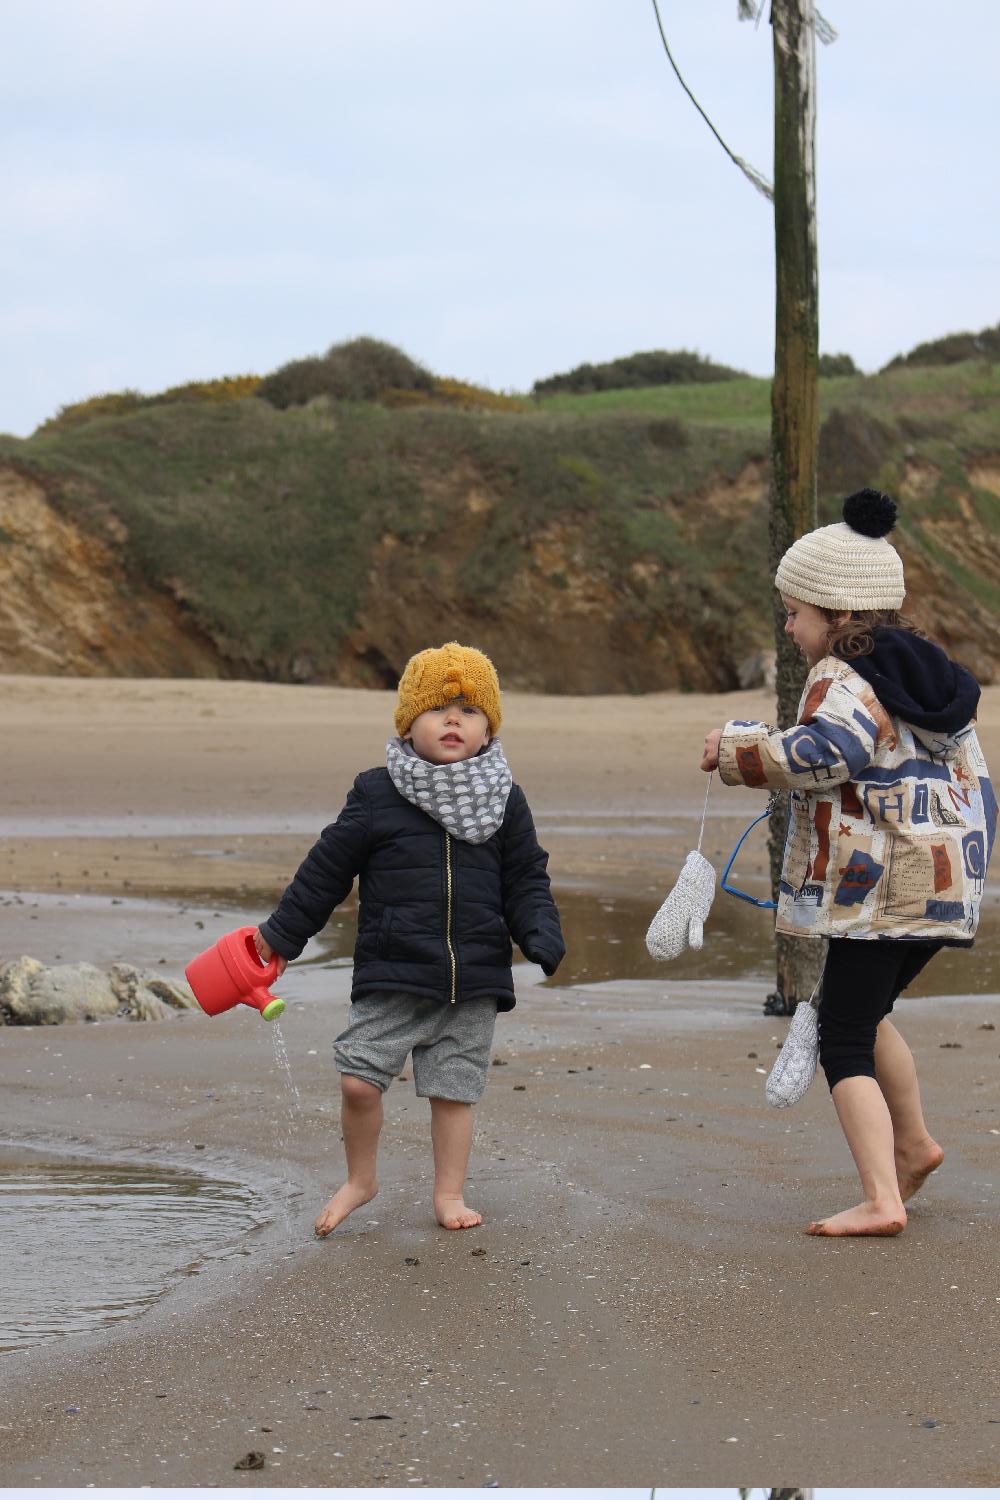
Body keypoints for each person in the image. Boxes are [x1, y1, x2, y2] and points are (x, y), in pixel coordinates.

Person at [701, 489, 996, 1237]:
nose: (791, 626)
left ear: (837, 613)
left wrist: (738, 749)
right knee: (863, 1011)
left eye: (795, 612)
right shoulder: (927, 674)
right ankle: (916, 1146)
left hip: (881, 888)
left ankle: (880, 1199)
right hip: (946, 883)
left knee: (842, 1036)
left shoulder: (843, 675)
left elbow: (829, 752)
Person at [255, 641, 565, 1236]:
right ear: (407, 722)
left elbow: (526, 875)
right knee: (357, 1077)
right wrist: (281, 937)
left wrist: (540, 932)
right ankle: (360, 1179)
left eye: (470, 710)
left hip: (472, 975)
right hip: (394, 968)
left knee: (453, 1090)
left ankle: (449, 1194)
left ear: (488, 728)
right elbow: (325, 870)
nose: (454, 720)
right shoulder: (377, 793)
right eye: (438, 708)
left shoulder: (504, 797)